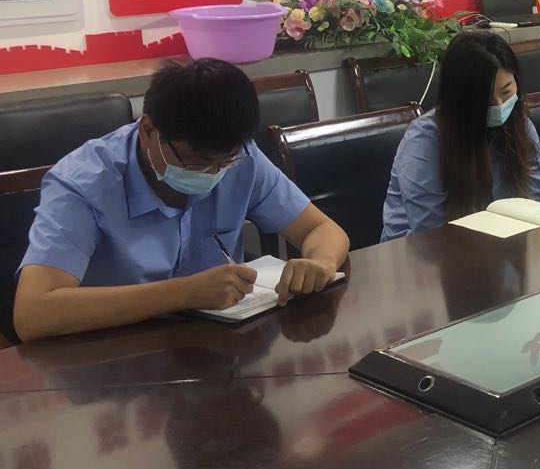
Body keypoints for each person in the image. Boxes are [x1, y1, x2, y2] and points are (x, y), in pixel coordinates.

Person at [13, 59, 349, 342]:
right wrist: (184, 293)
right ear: (148, 131)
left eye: (224, 162)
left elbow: (320, 229)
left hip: (216, 347)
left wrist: (320, 264)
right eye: (196, 163)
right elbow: (33, 314)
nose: (213, 173)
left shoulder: (241, 158)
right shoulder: (82, 183)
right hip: (112, 358)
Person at [382, 30, 540, 240]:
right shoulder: (424, 141)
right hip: (421, 251)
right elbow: (431, 233)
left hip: (499, 245)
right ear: (461, 100)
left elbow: (532, 201)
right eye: (486, 100)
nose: (499, 105)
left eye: (506, 91)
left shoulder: (519, 124)